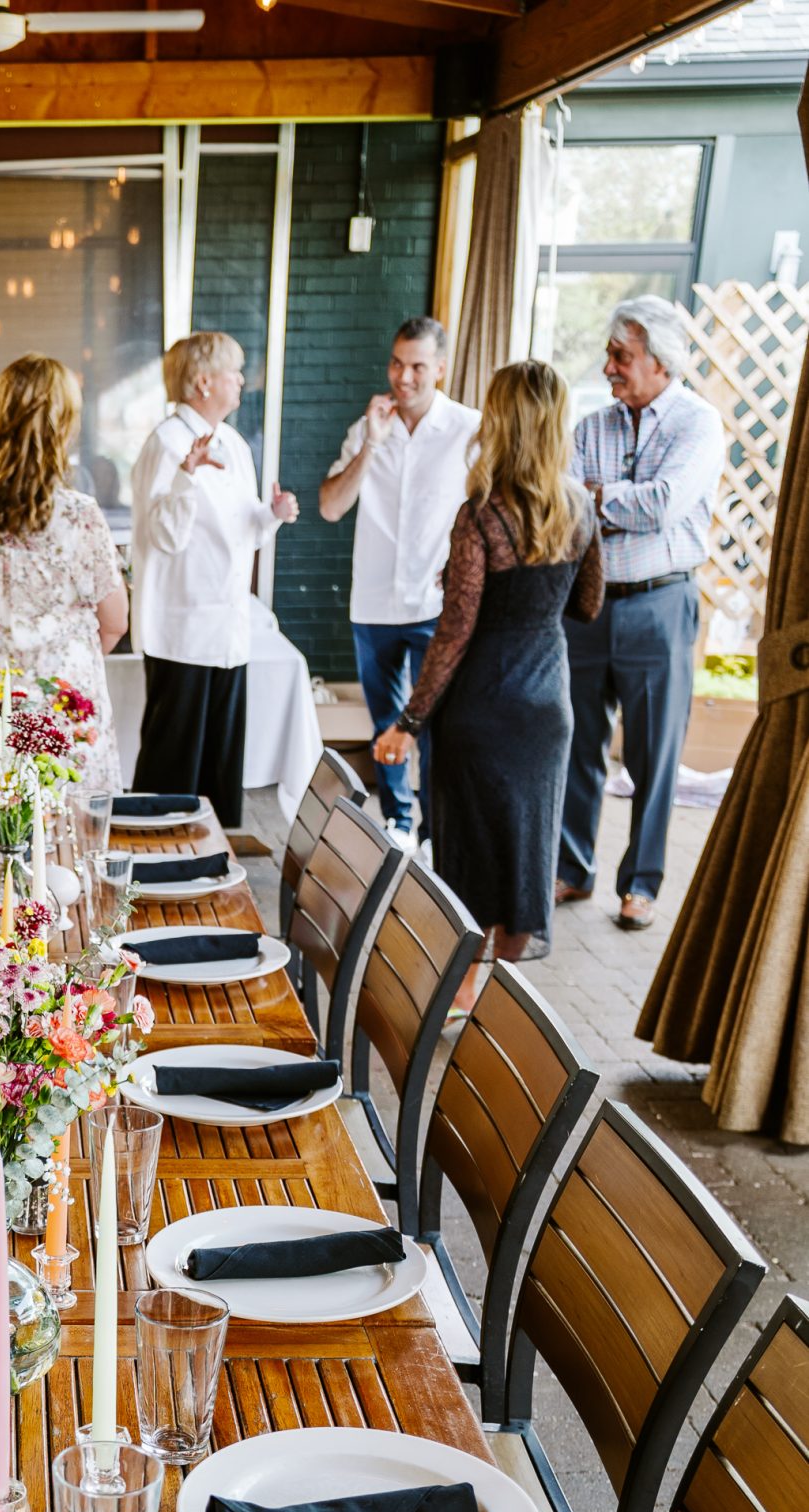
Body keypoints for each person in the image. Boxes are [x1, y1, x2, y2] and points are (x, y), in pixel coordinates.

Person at [374, 361, 604, 1014]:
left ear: (499, 424)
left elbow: (452, 634)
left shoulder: (481, 516)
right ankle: (503, 1004)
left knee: (469, 851)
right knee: (526, 849)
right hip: (544, 707)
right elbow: (587, 605)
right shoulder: (582, 506)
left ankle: (463, 990)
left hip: (480, 707)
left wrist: (408, 722)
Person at [556, 295, 725, 930]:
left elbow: (662, 504)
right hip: (589, 604)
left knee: (654, 753)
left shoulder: (698, 424)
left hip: (661, 602)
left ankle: (642, 885)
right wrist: (603, 501)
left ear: (659, 359)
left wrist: (600, 497)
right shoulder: (590, 427)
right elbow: (568, 505)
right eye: (610, 355)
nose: (609, 368)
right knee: (578, 744)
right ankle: (573, 872)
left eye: (620, 356)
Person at [0, 352, 128, 787]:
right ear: (65, 422)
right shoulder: (79, 514)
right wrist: (62, 658)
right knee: (65, 835)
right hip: (61, 700)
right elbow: (115, 621)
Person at [318, 318, 479, 853]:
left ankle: (436, 831)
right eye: (396, 363)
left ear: (440, 368)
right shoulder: (368, 426)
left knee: (435, 724)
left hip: (437, 605)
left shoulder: (470, 429)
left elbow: (489, 511)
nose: (403, 377)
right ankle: (398, 824)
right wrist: (371, 443)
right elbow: (331, 506)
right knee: (385, 721)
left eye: (416, 366)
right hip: (374, 600)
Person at [128, 330, 298, 824]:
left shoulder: (235, 444)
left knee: (221, 757)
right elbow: (162, 536)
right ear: (203, 381)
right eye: (234, 371)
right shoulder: (165, 443)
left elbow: (246, 533)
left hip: (227, 628)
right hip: (180, 629)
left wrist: (273, 514)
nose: (242, 380)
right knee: (172, 759)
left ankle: (216, 852)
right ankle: (155, 857)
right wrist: (187, 475)